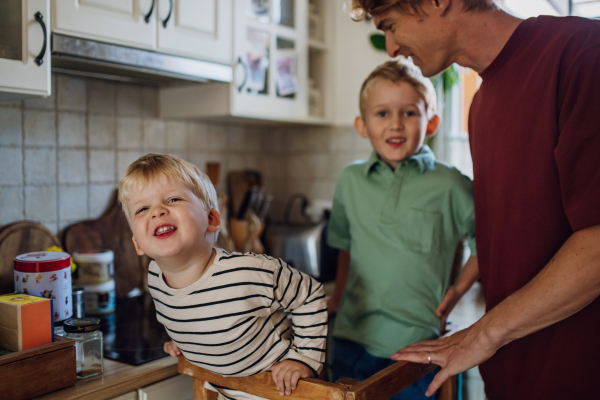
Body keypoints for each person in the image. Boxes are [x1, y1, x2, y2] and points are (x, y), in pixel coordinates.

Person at [350, 0, 600, 399]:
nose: (391, 47)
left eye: (391, 25)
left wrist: (485, 333)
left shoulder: (581, 54)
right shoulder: (480, 107)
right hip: (510, 376)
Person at [326, 59, 479, 400]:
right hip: (351, 336)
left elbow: (491, 244)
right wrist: (336, 297)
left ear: (432, 122)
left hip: (416, 347)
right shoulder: (350, 180)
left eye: (409, 113)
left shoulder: (451, 184)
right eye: (382, 113)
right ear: (362, 125)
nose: (396, 124)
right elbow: (345, 244)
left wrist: (454, 294)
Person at [118, 154, 327, 400]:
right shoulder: (155, 277)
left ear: (211, 219)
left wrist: (303, 359)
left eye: (173, 199)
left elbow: (310, 294)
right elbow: (194, 313)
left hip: (284, 392)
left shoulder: (247, 272)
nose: (157, 212)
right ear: (137, 244)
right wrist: (187, 342)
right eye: (143, 208)